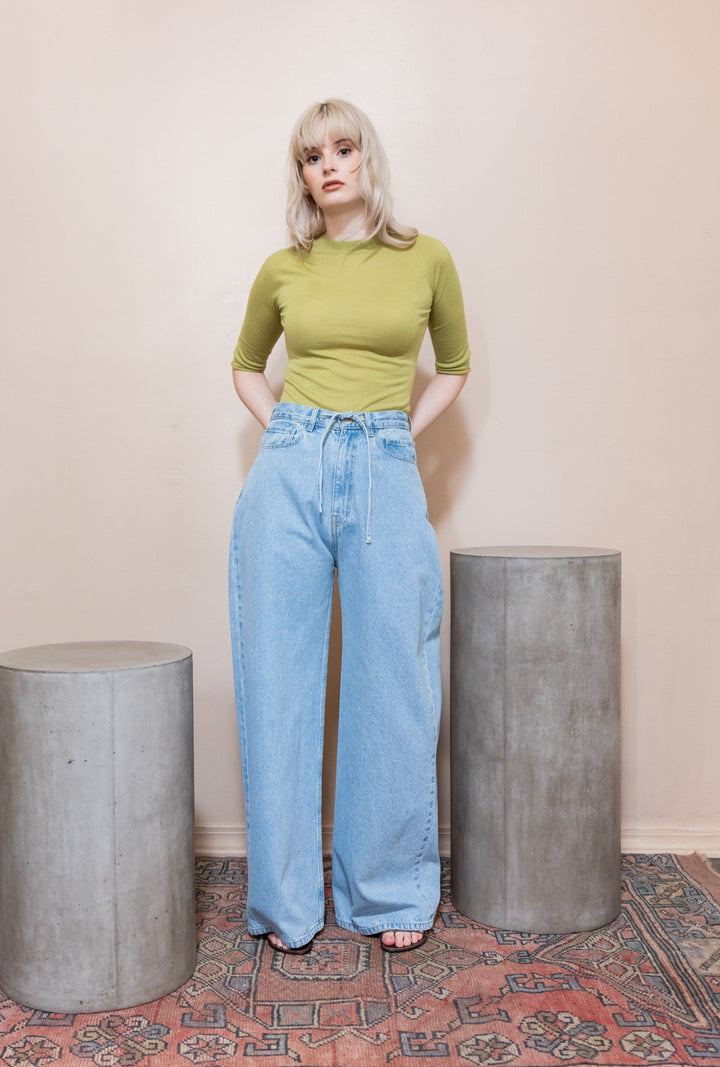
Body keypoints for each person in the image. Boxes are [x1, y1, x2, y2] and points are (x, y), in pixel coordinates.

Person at [229, 99, 470, 955]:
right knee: (277, 682)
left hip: (383, 465)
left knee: (392, 678)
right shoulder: (282, 269)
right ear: (302, 177)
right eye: (311, 156)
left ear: (367, 158)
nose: (327, 165)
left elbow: (456, 366)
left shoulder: (426, 258)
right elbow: (245, 366)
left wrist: (397, 431)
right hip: (291, 468)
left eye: (342, 148)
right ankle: (287, 901)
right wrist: (289, 435)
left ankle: (389, 888)